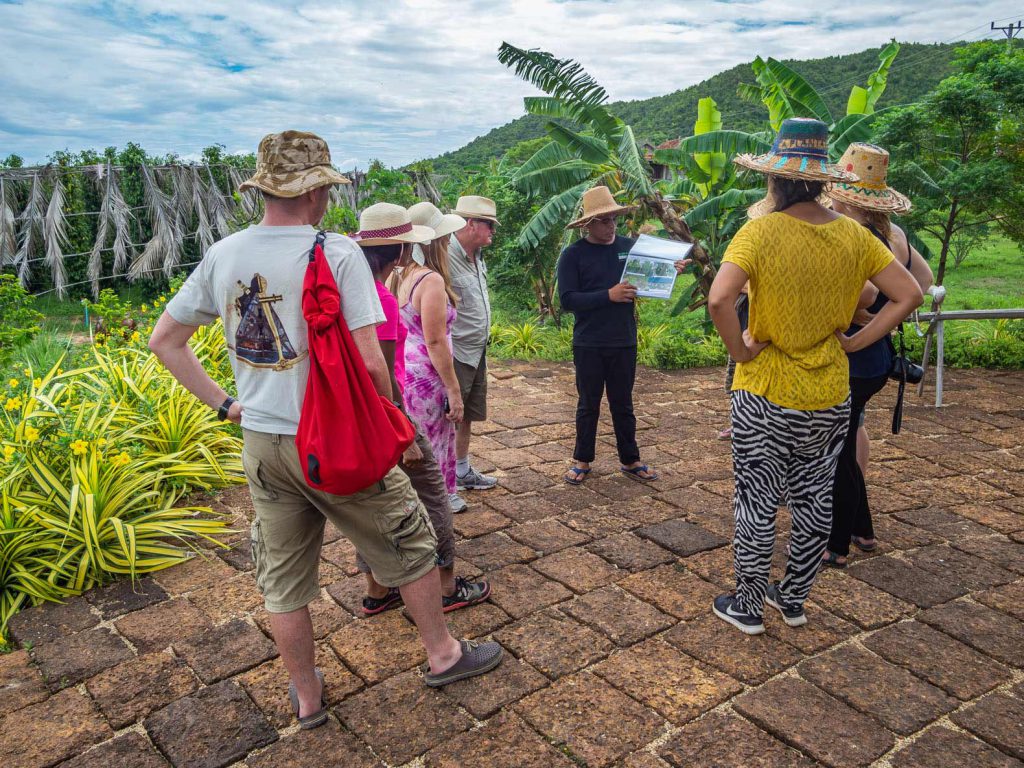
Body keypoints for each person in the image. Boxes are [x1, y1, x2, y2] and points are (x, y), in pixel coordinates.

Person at [149, 131, 502, 729]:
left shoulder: (225, 252)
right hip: (332, 435)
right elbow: (369, 362)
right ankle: (443, 655)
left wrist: (226, 406)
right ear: (315, 192)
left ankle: (307, 695)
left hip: (261, 439)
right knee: (408, 538)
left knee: (284, 578)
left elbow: (166, 342)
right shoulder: (333, 252)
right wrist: (390, 422)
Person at [707, 119, 923, 635]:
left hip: (766, 390)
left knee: (758, 500)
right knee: (813, 497)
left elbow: (719, 299)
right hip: (830, 392)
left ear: (774, 179)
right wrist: (856, 342)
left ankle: (748, 605)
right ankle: (795, 598)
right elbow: (909, 294)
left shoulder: (758, 231)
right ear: (825, 180)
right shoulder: (854, 234)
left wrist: (742, 349)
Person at [352, 202, 490, 613]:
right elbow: (430, 344)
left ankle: (379, 587)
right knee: (433, 484)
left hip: (397, 384)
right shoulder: (427, 281)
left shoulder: (393, 280)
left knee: (385, 490)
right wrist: (453, 390)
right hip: (420, 382)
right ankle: (442, 583)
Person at [822, 143, 934, 567]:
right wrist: (887, 314)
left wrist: (858, 319)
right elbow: (919, 283)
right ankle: (863, 531)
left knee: (839, 452)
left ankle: (836, 543)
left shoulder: (853, 232)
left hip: (853, 355)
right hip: (877, 358)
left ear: (843, 192)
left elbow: (866, 292)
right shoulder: (895, 234)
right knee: (847, 441)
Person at [556, 186, 691, 485]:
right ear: (588, 224)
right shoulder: (573, 255)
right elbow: (567, 300)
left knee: (623, 403)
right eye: (603, 220)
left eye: (613, 219)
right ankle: (582, 460)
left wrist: (673, 271)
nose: (610, 225)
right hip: (589, 341)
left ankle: (631, 460)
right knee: (588, 403)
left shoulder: (632, 247)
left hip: (624, 339)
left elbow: (653, 277)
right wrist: (608, 295)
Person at [395, 203, 468, 514]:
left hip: (407, 370)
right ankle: (435, 504)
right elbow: (435, 340)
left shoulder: (401, 275)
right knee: (435, 441)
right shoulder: (431, 281)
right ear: (433, 242)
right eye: (445, 236)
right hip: (428, 373)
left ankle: (415, 501)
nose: (450, 242)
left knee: (418, 441)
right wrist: (454, 389)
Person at [447, 196, 499, 492]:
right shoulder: (443, 254)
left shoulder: (476, 255)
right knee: (448, 416)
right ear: (470, 224)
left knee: (466, 414)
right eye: (489, 224)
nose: (493, 230)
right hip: (454, 350)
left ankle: (462, 469)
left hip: (475, 349)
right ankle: (442, 480)